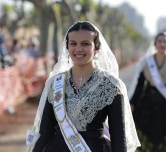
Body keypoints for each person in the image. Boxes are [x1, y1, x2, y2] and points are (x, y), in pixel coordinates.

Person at [26, 21, 140, 152]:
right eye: (73, 43)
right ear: (67, 47)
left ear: (96, 47)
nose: (78, 49)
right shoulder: (55, 83)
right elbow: (45, 132)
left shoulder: (112, 85)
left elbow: (119, 137)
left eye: (85, 44)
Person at [130, 31, 166, 152]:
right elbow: (140, 85)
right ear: (155, 44)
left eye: (165, 41)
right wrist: (132, 103)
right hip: (148, 104)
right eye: (159, 41)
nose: (162, 44)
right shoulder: (147, 62)